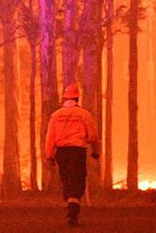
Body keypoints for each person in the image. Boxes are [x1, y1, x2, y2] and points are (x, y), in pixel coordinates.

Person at [44, 82, 100, 227]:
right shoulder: (84, 114)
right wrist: (95, 151)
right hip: (77, 151)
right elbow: (93, 136)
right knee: (78, 179)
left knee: (66, 179)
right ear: (77, 98)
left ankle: (69, 202)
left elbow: (50, 137)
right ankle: (73, 211)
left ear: (64, 98)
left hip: (61, 152)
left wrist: (49, 156)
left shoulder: (56, 115)